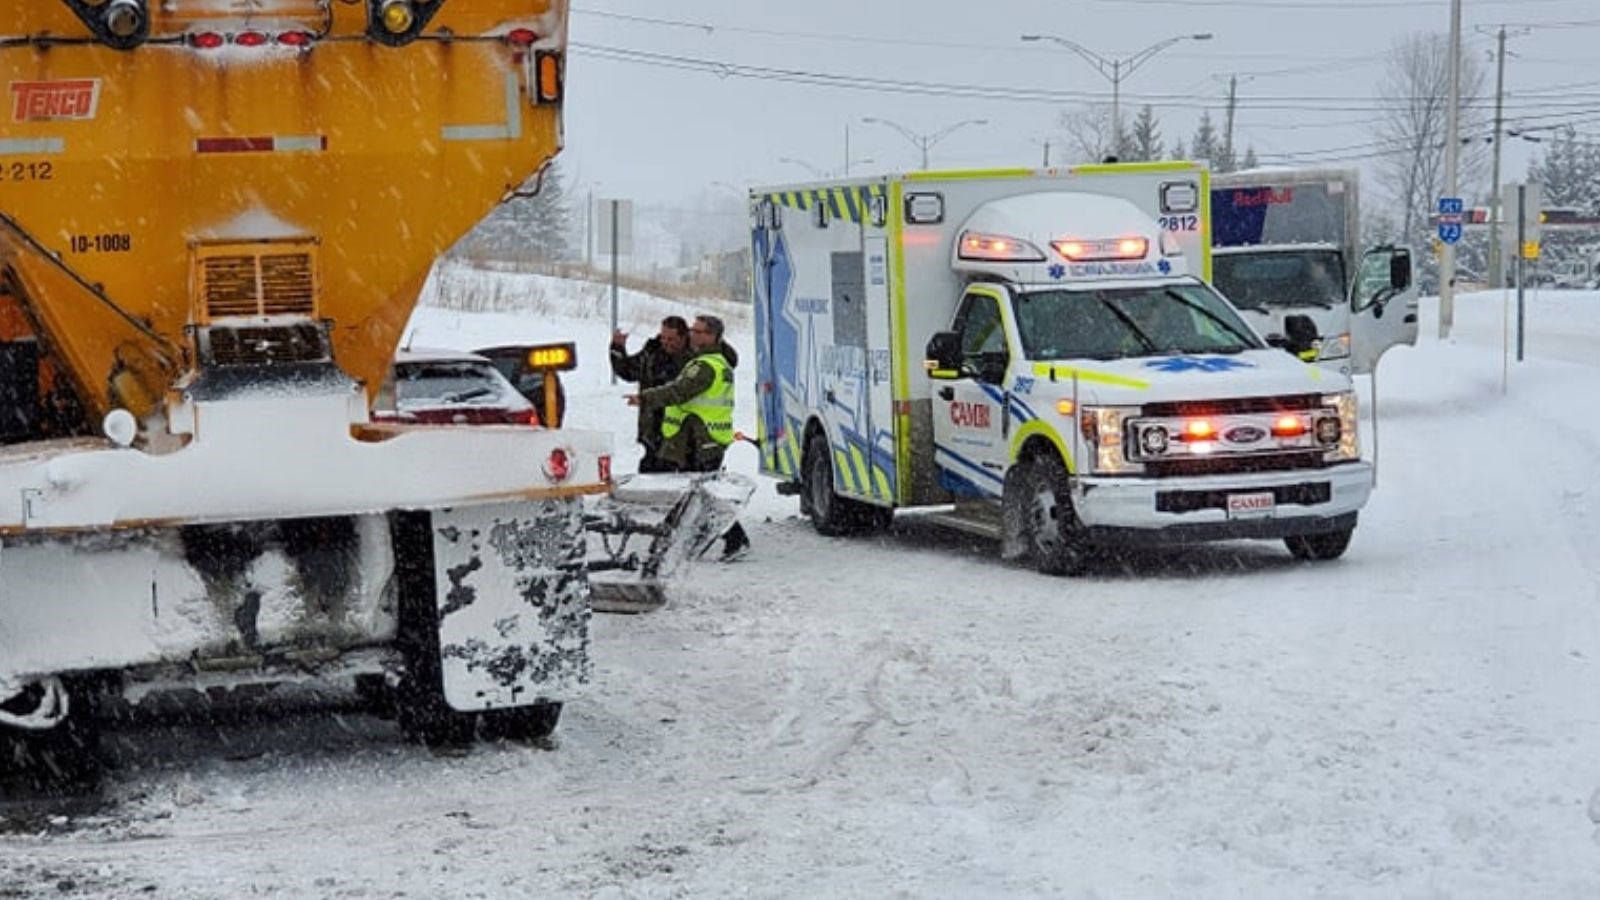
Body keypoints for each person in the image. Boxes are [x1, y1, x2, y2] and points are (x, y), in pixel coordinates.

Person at [627, 314, 750, 561]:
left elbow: (679, 391)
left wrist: (646, 398)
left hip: (702, 441)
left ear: (711, 336)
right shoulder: (709, 361)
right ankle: (676, 540)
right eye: (693, 330)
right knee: (692, 493)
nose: (692, 334)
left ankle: (731, 539)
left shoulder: (705, 366)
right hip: (698, 439)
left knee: (699, 496)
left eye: (698, 331)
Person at [609, 316, 689, 473]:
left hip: (680, 435)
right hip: (651, 432)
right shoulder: (652, 352)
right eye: (663, 337)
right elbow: (628, 370)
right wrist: (617, 349)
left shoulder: (694, 359)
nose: (666, 342)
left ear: (684, 337)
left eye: (671, 339)